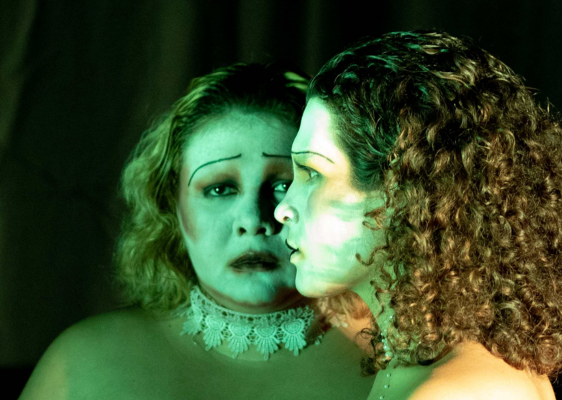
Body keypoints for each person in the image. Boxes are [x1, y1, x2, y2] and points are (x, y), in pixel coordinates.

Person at [19, 63, 376, 400]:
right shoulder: (82, 361)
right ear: (171, 207)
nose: (253, 219)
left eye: (283, 184)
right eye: (220, 188)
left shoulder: (393, 358)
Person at [275, 31, 562, 400]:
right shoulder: (430, 360)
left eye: (312, 172)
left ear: (404, 192)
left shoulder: (456, 390)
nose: (282, 209)